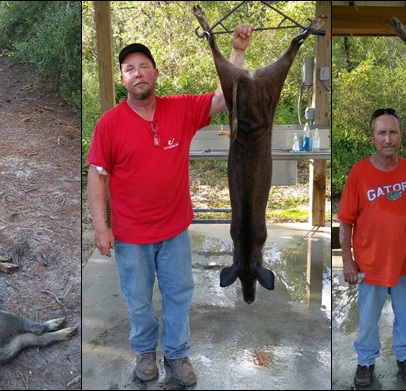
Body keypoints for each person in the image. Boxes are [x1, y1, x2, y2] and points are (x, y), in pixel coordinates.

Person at [85, 25, 253, 387]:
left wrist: (237, 53)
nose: (138, 73)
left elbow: (223, 98)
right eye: (130, 69)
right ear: (122, 79)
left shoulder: (180, 109)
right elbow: (97, 178)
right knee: (139, 300)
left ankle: (176, 354)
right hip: (131, 237)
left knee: (179, 295)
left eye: (144, 65)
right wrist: (101, 227)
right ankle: (145, 353)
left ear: (156, 73)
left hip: (175, 230)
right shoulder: (109, 124)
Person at [339, 108, 406, 387]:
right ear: (372, 137)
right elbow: (345, 221)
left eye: (393, 132)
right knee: (368, 318)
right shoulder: (359, 172)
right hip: (371, 262)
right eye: (382, 132)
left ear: (401, 136)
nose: (387, 138)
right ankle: (365, 361)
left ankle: (405, 356)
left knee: (405, 315)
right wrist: (347, 260)